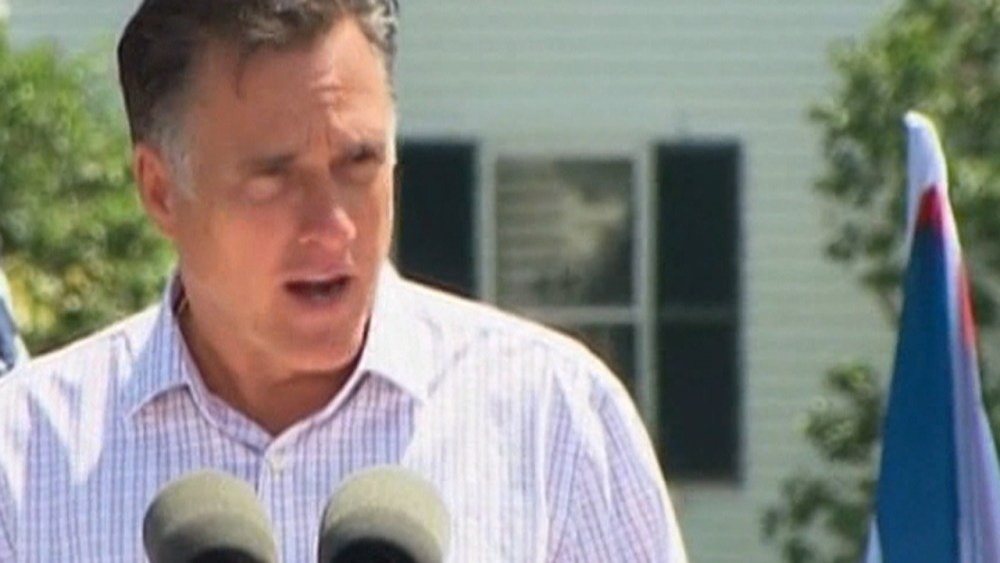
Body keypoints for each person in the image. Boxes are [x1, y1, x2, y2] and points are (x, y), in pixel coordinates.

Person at [0, 1, 689, 561]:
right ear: (160, 191)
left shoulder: (555, 420)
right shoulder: (23, 458)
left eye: (359, 163)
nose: (331, 226)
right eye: (273, 177)